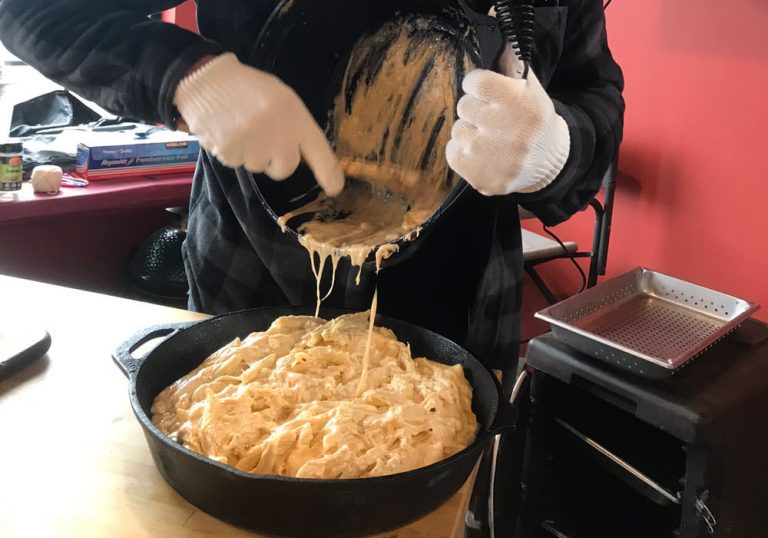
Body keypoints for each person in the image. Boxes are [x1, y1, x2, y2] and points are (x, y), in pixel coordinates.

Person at [0, 0, 623, 374]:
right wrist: (187, 78)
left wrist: (559, 151)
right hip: (248, 283)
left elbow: (592, 94)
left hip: (464, 311)